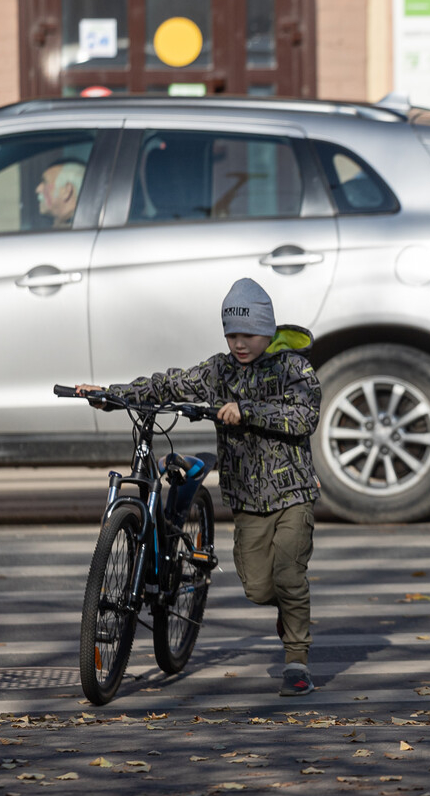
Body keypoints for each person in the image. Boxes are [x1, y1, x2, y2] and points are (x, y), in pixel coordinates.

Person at [77, 278, 323, 697]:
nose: (238, 343)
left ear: (267, 330)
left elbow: (303, 417)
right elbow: (169, 384)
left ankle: (296, 661)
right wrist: (113, 394)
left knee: (289, 574)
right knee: (258, 587)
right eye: (231, 334)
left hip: (292, 495)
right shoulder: (219, 370)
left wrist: (247, 411)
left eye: (247, 334)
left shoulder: (293, 368)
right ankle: (287, 609)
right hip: (247, 498)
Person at [36, 159, 87, 228]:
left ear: (66, 191)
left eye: (45, 182)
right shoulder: (84, 226)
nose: (38, 189)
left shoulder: (71, 233)